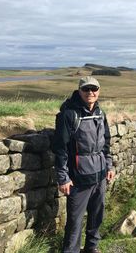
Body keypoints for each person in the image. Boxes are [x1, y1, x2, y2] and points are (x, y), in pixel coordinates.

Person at [52, 76, 115, 253]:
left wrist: (108, 166)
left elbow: (106, 142)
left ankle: (91, 248)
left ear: (99, 91)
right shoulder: (69, 114)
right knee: (74, 222)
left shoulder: (100, 113)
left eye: (94, 89)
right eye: (86, 89)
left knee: (97, 216)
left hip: (100, 175)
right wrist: (63, 178)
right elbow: (60, 148)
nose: (90, 92)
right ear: (79, 91)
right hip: (78, 178)